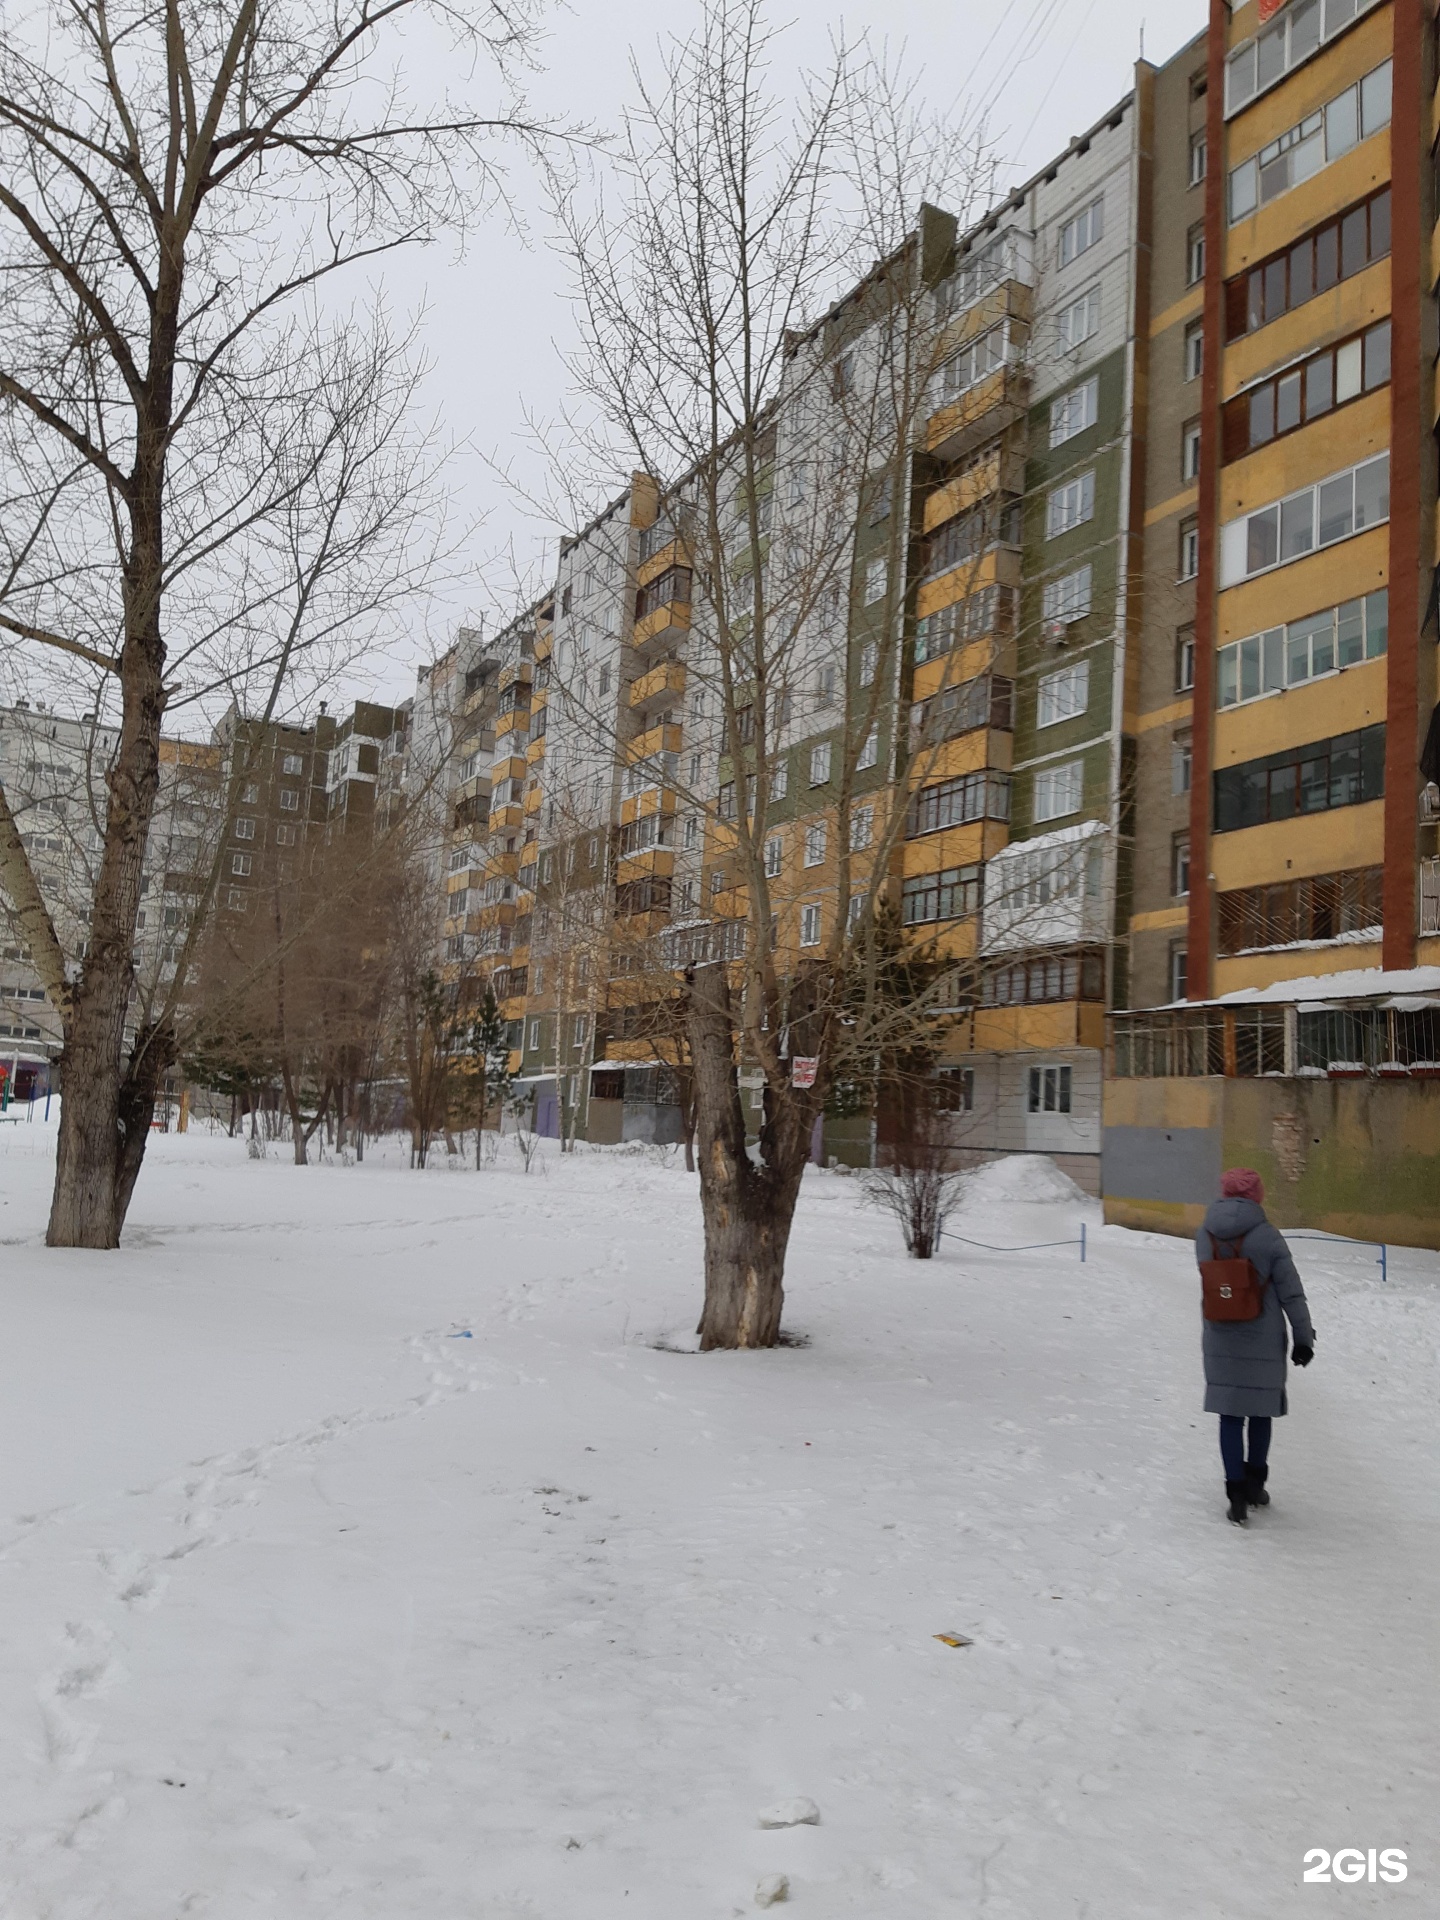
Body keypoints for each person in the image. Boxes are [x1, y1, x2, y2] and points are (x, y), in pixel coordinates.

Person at [1196, 1168, 1315, 1527]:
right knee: (1260, 1413)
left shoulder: (1204, 1234)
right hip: (1262, 1339)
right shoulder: (1268, 1237)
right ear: (1257, 1196)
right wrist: (1304, 1337)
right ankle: (1254, 1486)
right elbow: (1291, 1292)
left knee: (1229, 1415)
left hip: (1220, 1336)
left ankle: (1234, 1494)